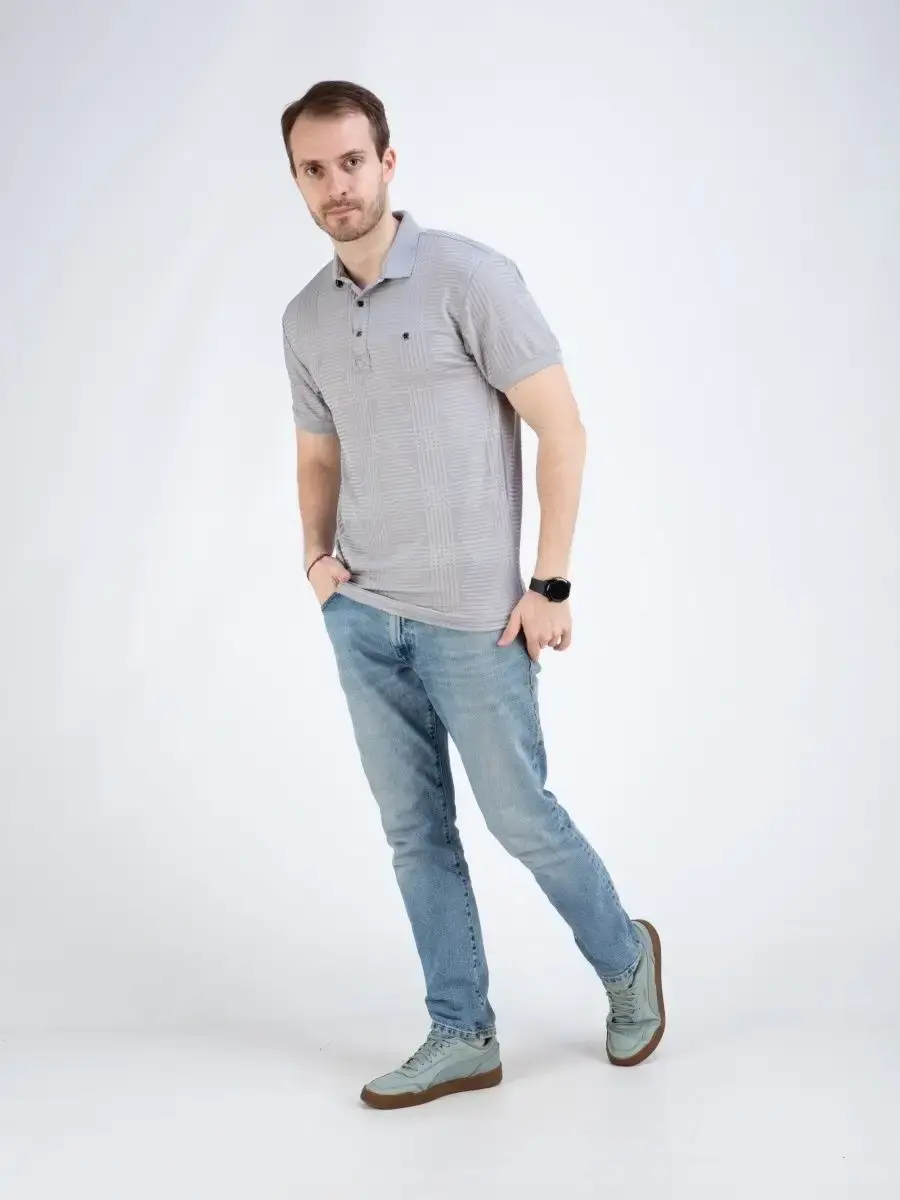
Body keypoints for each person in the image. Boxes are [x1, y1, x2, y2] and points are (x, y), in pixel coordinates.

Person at [279, 80, 665, 1110]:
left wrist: (551, 583)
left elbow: (562, 429)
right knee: (415, 835)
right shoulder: (305, 318)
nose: (335, 186)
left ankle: (627, 958)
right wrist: (316, 563)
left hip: (476, 623)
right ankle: (462, 1031)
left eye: (350, 162)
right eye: (313, 170)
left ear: (387, 162)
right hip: (365, 619)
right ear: (298, 181)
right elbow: (317, 455)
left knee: (521, 818)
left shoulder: (469, 278)